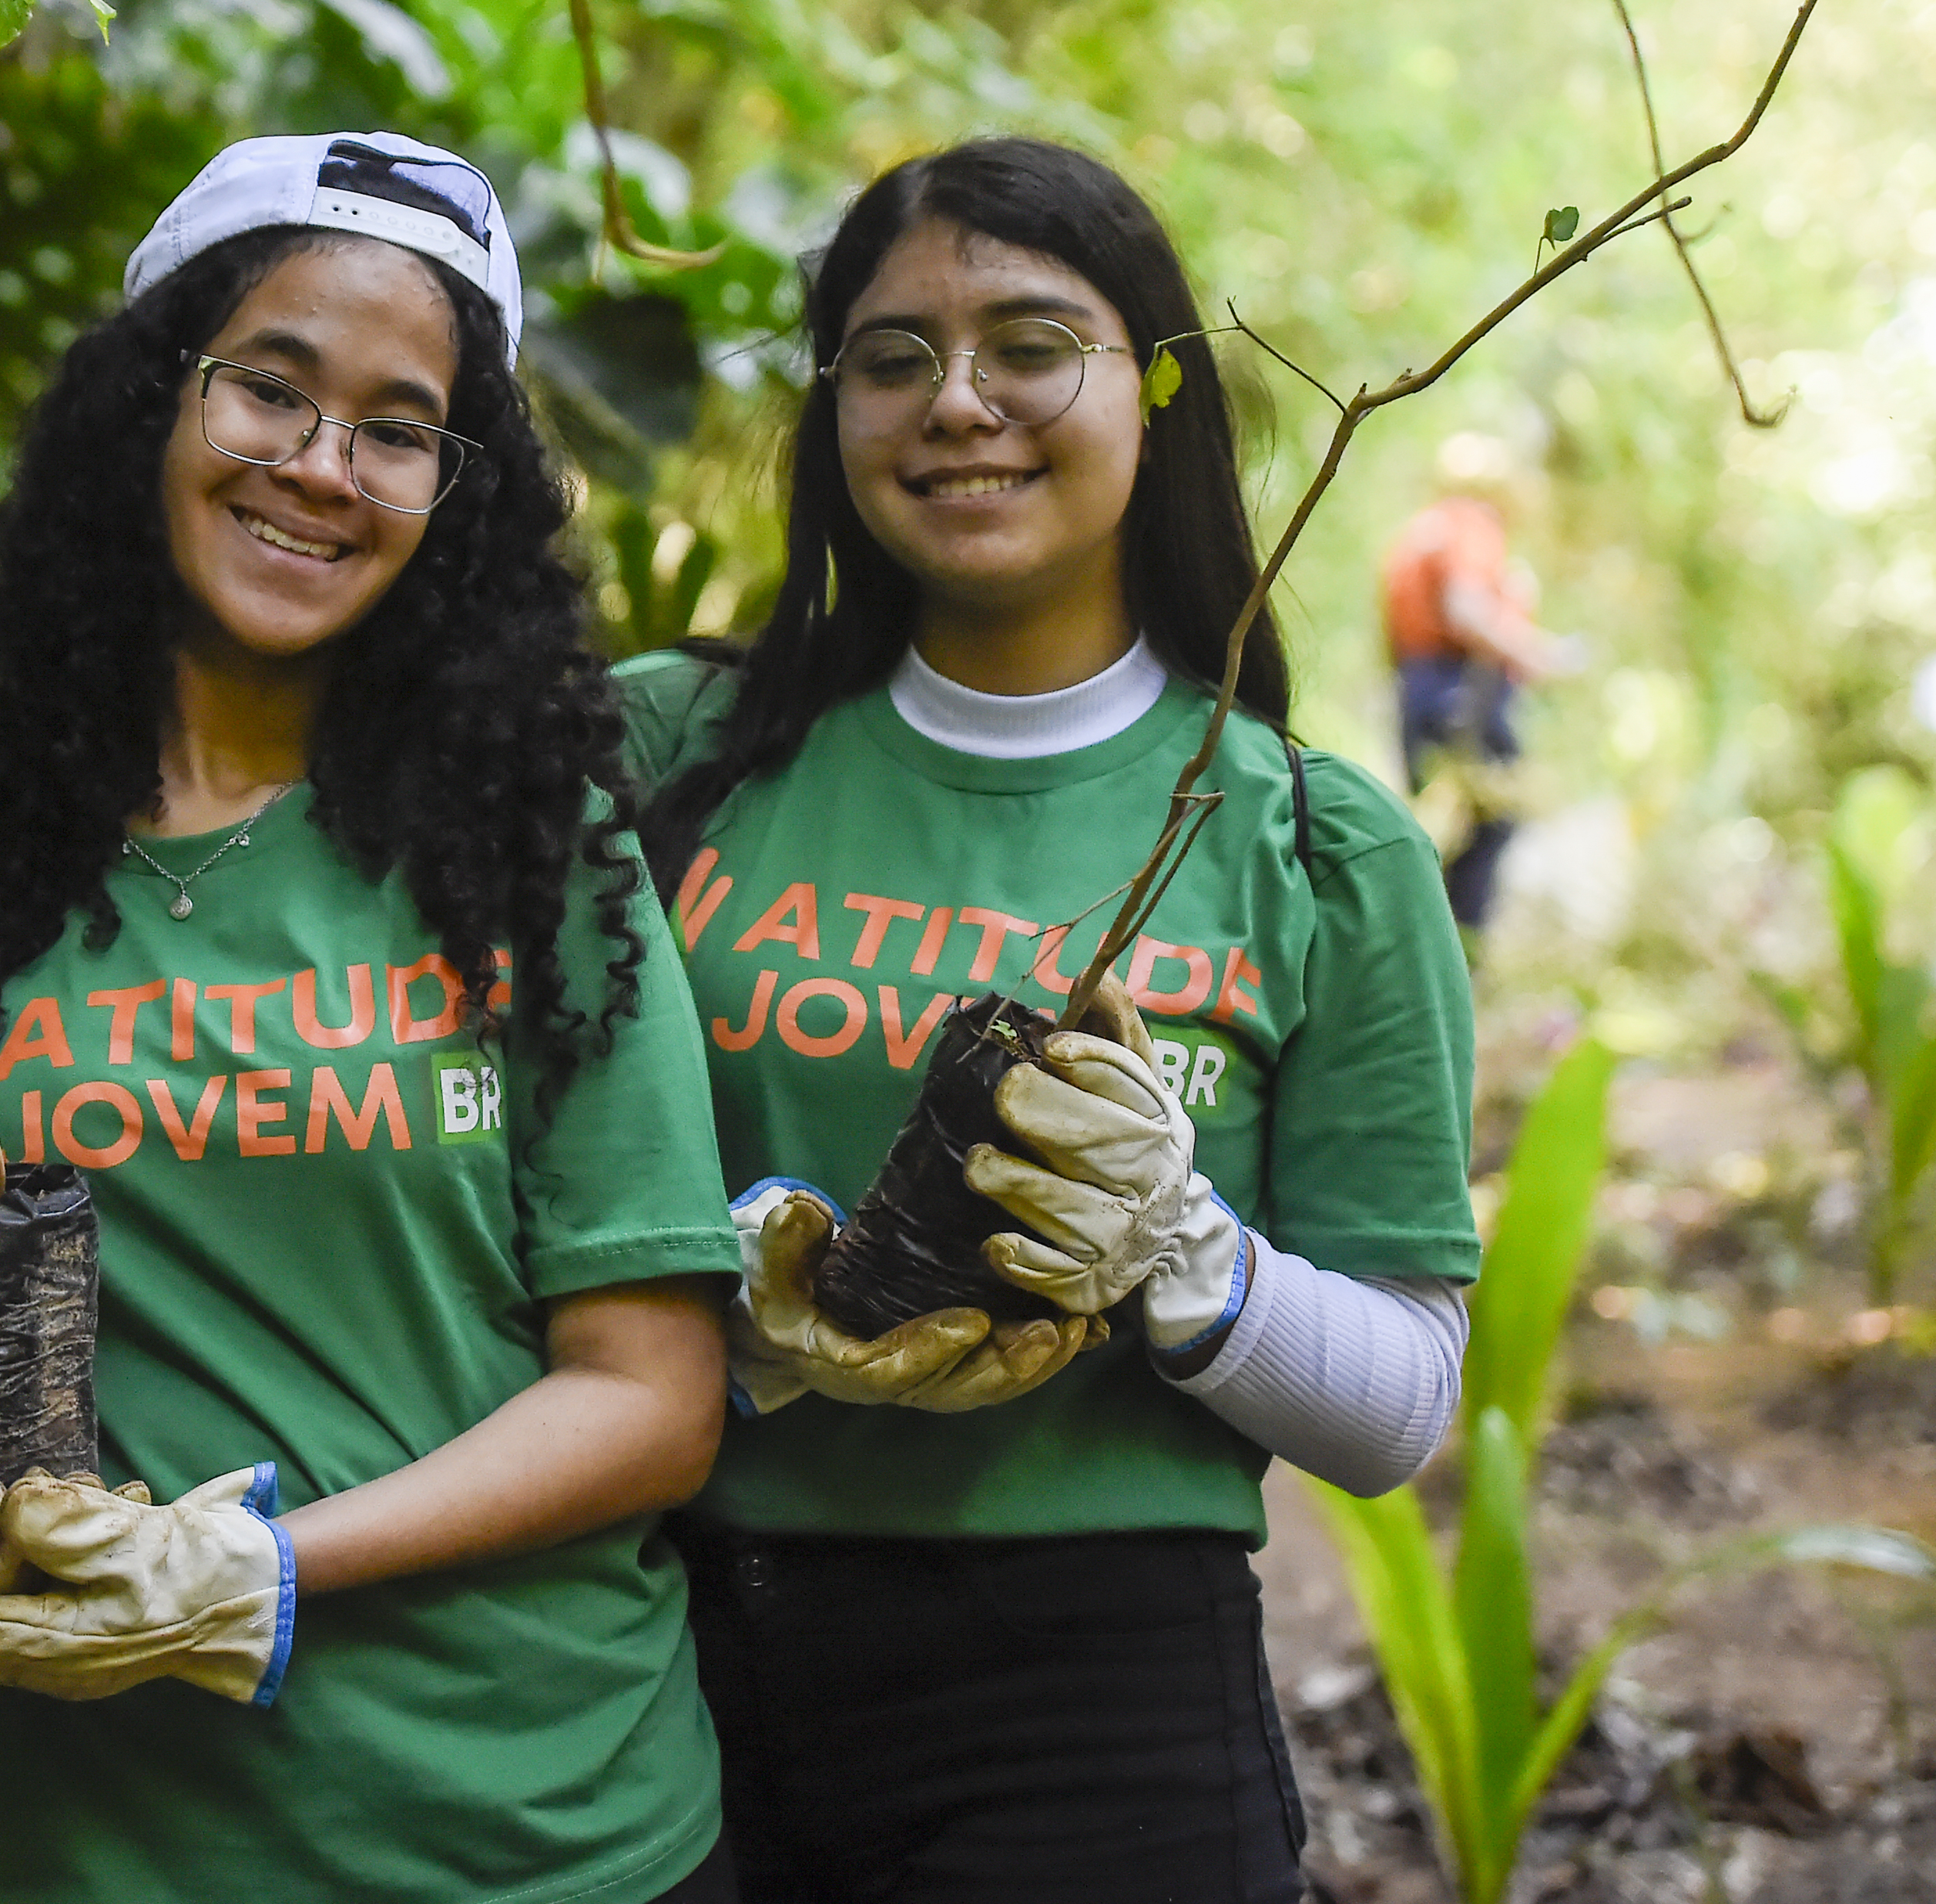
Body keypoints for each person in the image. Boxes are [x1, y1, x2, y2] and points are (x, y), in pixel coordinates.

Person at [0, 132, 743, 1904]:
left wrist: (262, 1569)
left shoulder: (536, 860)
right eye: (269, 388)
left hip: (516, 1841)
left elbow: (651, 1394)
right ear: (151, 401)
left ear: (460, 493)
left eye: (399, 426)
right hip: (48, 1846)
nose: (321, 467)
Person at [619, 135, 1483, 1903]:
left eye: (1030, 345)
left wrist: (1189, 1256)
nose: (959, 404)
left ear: (1157, 392)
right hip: (645, 1670)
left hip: (1094, 1718)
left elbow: (1400, 1408)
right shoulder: (673, 756)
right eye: (893, 356)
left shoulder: (1310, 842)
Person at [1378, 431, 1570, 934]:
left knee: (1433, 820)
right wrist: (1533, 650)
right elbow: (1465, 608)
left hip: (1416, 690)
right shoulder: (1471, 525)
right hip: (1460, 689)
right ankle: (1459, 947)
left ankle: (1417, 939)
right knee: (1495, 818)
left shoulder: (1419, 531)